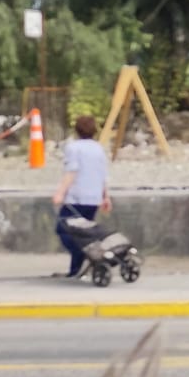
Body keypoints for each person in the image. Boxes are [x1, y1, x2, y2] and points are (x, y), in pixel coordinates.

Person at [51, 115, 111, 279]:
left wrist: (60, 193)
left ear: (76, 130)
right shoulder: (98, 148)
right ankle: (76, 270)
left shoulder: (73, 148)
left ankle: (86, 257)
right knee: (83, 233)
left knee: (64, 230)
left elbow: (72, 171)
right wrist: (106, 196)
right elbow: (103, 174)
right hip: (94, 198)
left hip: (76, 197)